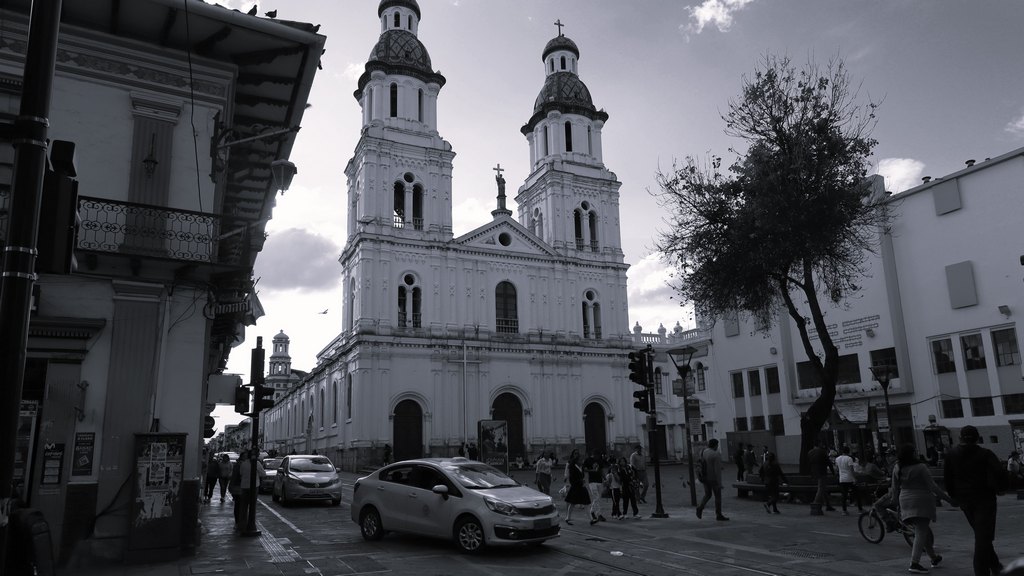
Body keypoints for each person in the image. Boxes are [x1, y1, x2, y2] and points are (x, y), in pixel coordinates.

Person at [944, 425, 1008, 576]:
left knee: (981, 534)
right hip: (985, 498)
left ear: (960, 438)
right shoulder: (985, 454)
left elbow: (948, 478)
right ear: (977, 438)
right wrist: (1001, 488)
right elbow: (999, 471)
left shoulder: (951, 455)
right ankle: (981, 571)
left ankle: (995, 564)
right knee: (982, 536)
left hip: (965, 499)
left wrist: (953, 496)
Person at [893, 443, 955, 573]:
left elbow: (894, 488)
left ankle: (933, 557)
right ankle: (914, 563)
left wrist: (896, 503)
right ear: (913, 453)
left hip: (904, 498)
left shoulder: (897, 467)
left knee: (922, 530)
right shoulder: (920, 467)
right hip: (921, 499)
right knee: (921, 531)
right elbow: (933, 486)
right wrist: (948, 499)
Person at [696, 438, 727, 521]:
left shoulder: (703, 452)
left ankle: (700, 507)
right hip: (713, 479)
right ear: (716, 445)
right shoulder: (716, 454)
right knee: (717, 497)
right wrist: (720, 483)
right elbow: (717, 471)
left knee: (708, 494)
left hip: (704, 477)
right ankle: (718, 514)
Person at [562, 449, 590, 525]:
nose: (582, 461)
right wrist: (567, 479)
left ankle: (591, 519)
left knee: (586, 502)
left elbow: (582, 475)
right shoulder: (571, 465)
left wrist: (582, 480)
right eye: (575, 453)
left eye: (578, 453)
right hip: (575, 486)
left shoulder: (580, 466)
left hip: (580, 486)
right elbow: (570, 475)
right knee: (572, 503)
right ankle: (568, 517)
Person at [807, 442, 836, 514]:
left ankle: (828, 505)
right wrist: (833, 473)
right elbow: (829, 463)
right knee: (821, 488)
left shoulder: (810, 452)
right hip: (822, 472)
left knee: (823, 488)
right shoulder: (822, 452)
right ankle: (815, 503)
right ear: (819, 444)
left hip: (814, 473)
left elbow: (809, 463)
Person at [835, 445, 863, 515]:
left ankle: (844, 511)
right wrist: (854, 478)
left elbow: (837, 469)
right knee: (857, 493)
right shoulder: (849, 459)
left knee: (844, 495)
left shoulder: (837, 459)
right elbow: (851, 470)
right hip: (849, 479)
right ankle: (860, 509)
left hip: (842, 479)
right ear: (848, 451)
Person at [582, 450, 606, 524]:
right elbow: (585, 469)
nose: (598, 457)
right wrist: (592, 470)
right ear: (593, 454)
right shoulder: (588, 460)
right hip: (592, 481)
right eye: (597, 455)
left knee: (598, 497)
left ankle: (592, 511)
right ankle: (599, 514)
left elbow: (601, 470)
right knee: (596, 497)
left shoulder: (600, 460)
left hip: (599, 480)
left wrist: (604, 477)